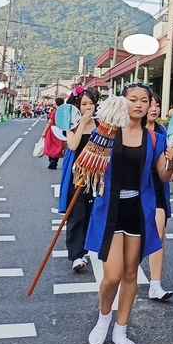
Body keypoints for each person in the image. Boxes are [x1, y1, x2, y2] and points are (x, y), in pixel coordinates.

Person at [84, 83, 173, 344]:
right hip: (110, 209)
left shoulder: (154, 138)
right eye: (133, 99)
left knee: (130, 273)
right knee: (111, 275)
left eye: (144, 100)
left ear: (150, 105)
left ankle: (121, 330)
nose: (138, 104)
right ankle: (103, 320)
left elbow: (162, 175)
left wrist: (169, 160)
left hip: (137, 210)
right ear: (123, 102)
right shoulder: (109, 132)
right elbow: (88, 163)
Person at [58, 88, 98, 272]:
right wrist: (82, 124)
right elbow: (72, 145)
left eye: (91, 103)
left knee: (91, 214)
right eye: (84, 104)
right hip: (77, 178)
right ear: (77, 106)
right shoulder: (71, 125)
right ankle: (76, 256)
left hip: (97, 179)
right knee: (76, 215)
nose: (88, 107)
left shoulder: (100, 124)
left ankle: (84, 251)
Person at [145, 93, 173, 300]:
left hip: (156, 187)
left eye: (157, 105)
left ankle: (155, 284)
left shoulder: (164, 132)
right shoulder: (129, 131)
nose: (153, 108)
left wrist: (170, 166)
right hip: (134, 188)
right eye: (150, 104)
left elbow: (166, 163)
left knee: (158, 233)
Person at [41, 97, 66, 169]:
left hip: (52, 130)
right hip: (60, 131)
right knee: (58, 146)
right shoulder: (64, 112)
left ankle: (51, 160)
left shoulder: (54, 112)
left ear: (56, 103)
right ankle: (55, 161)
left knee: (50, 145)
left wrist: (44, 131)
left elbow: (49, 122)